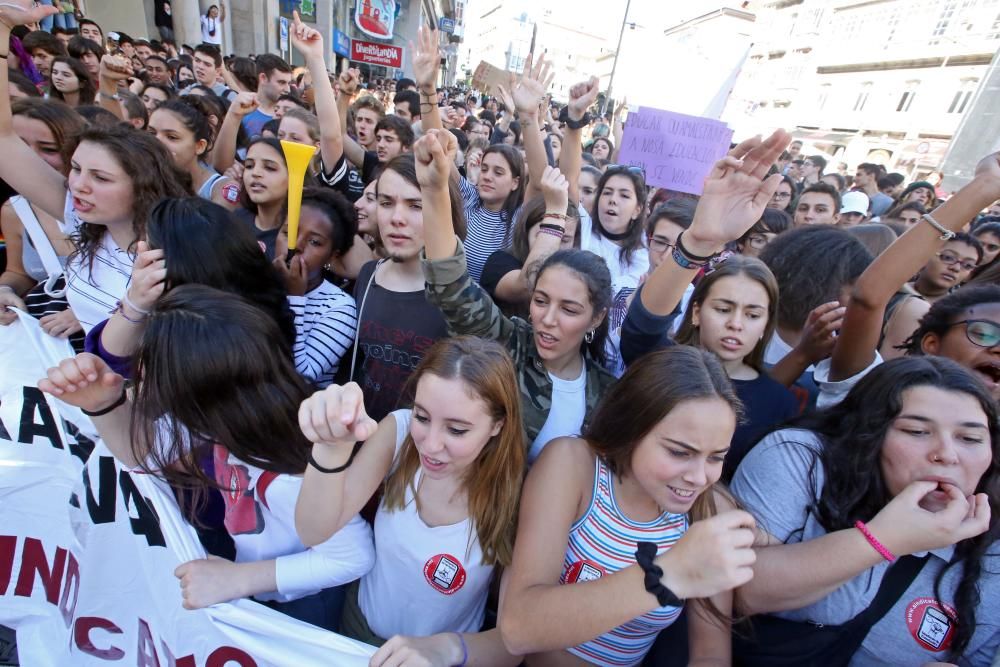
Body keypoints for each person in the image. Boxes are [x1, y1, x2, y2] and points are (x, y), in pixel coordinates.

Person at [40, 285, 375, 631]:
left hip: (303, 602)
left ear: (193, 394)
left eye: (145, 371)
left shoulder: (286, 472)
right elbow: (145, 453)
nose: (136, 380)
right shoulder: (226, 414)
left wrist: (239, 579)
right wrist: (102, 404)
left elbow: (354, 557)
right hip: (263, 581)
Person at [500, 346, 759, 666]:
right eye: (680, 452)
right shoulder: (573, 466)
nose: (698, 477)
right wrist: (666, 574)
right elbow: (518, 627)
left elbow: (710, 655)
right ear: (633, 427)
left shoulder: (710, 510)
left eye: (716, 457)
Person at [731, 356, 998, 666]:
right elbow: (740, 590)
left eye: (970, 438)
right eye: (916, 431)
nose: (947, 455)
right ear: (869, 434)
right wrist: (884, 539)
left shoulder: (992, 551)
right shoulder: (801, 458)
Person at [295, 337, 525, 664]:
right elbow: (314, 530)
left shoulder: (514, 495)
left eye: (456, 430)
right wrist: (332, 445)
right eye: (422, 416)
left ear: (497, 426)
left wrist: (446, 649)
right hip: (357, 633)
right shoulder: (400, 432)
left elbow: (512, 644)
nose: (430, 445)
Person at [416, 127, 617, 462]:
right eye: (540, 301)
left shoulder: (608, 393)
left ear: (596, 317)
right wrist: (435, 190)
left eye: (569, 309)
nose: (548, 320)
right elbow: (451, 287)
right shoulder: (509, 345)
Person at [0, 1, 189, 333]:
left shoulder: (175, 252)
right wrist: (3, 30)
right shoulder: (84, 215)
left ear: (141, 185)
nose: (78, 185)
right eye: (75, 168)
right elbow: (4, 142)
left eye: (100, 177)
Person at [823, 152, 1000, 401]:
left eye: (969, 438)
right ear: (931, 344)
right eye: (982, 333)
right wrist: (986, 186)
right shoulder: (878, 398)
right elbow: (869, 296)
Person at [350, 153, 465, 423]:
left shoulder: (463, 301)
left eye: (416, 205)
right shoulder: (368, 275)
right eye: (386, 203)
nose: (397, 218)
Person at [0, 97, 85, 341]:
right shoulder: (14, 210)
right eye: (20, 146)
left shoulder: (109, 206)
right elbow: (18, 272)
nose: (29, 159)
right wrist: (5, 290)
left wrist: (91, 309)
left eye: (48, 149)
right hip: (50, 349)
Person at [272, 187, 358, 388]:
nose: (296, 245)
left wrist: (295, 298)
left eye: (314, 241)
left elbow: (301, 377)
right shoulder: (257, 283)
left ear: (332, 256)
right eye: (288, 232)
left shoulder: (339, 308)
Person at [147, 98, 240, 208]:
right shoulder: (140, 177)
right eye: (152, 133)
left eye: (172, 137)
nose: (157, 142)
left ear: (199, 146)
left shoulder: (221, 188)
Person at [235, 137, 293, 259]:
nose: (255, 173)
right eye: (249, 166)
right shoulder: (234, 221)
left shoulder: (299, 236)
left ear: (294, 178)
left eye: (270, 167)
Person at [908, 234, 981, 305]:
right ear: (927, 255)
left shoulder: (955, 313)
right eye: (948, 258)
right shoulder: (899, 286)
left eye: (968, 265)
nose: (956, 268)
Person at [240, 54, 292, 138]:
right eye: (281, 82)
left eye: (289, 83)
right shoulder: (241, 111)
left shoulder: (292, 115)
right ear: (263, 78)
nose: (287, 90)